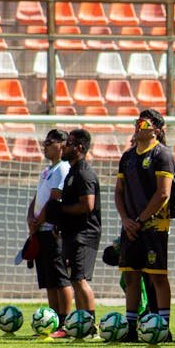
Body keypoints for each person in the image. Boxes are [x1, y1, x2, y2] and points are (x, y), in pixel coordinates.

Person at [115, 109, 175, 341]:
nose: (138, 127)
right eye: (137, 122)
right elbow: (119, 192)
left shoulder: (162, 155)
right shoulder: (127, 157)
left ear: (157, 130)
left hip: (153, 226)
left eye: (144, 124)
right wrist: (125, 219)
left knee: (157, 277)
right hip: (130, 226)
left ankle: (164, 327)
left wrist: (140, 220)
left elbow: (163, 194)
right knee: (131, 276)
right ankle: (130, 327)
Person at [48, 128, 101, 335]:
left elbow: (87, 205)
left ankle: (91, 325)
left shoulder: (84, 172)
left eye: (68, 143)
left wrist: (60, 209)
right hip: (72, 232)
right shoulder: (72, 170)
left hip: (84, 234)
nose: (64, 147)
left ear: (79, 148)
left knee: (79, 279)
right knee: (75, 279)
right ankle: (81, 325)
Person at [26, 129, 73, 337]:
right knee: (49, 280)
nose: (44, 146)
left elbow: (55, 198)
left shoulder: (63, 168)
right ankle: (53, 320)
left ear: (62, 145)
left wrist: (40, 220)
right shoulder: (48, 170)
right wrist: (31, 217)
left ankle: (65, 322)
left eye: (49, 142)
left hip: (54, 231)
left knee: (61, 278)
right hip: (41, 230)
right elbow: (38, 196)